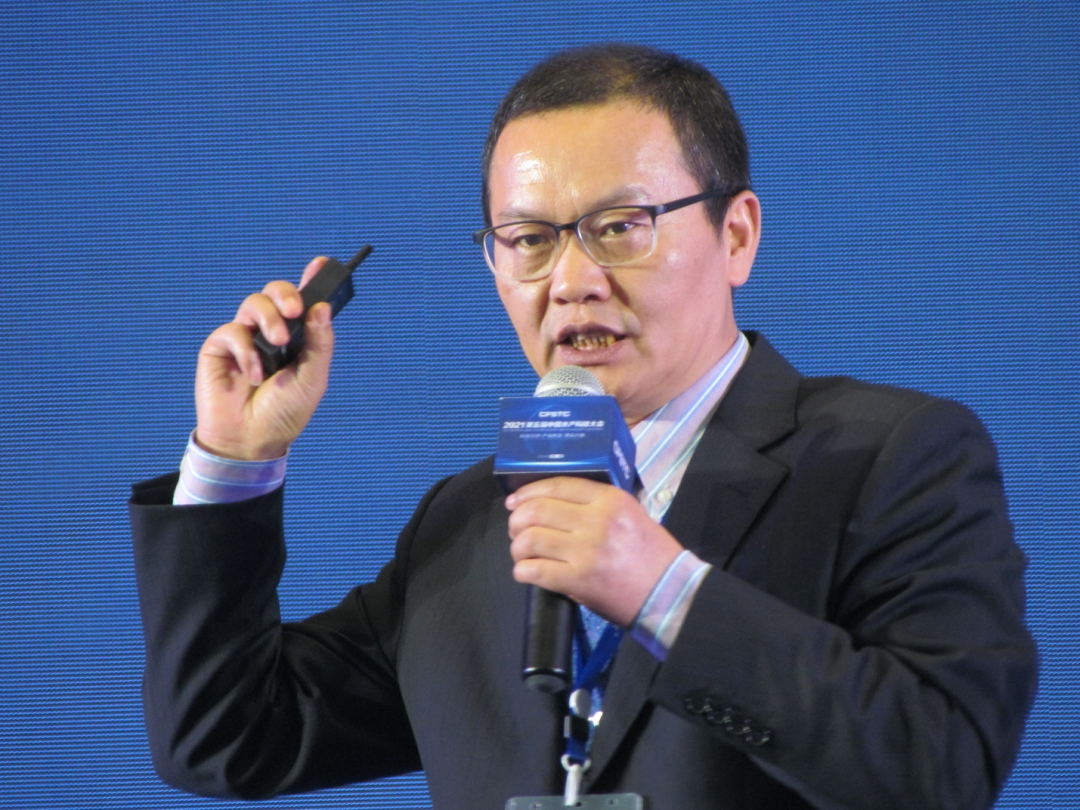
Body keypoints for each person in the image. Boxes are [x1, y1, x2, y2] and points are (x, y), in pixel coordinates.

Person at [129, 44, 1035, 809]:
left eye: (619, 226)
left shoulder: (893, 457)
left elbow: (942, 765)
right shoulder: (465, 522)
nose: (570, 282)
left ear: (737, 236)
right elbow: (226, 737)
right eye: (529, 240)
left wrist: (663, 590)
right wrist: (234, 460)